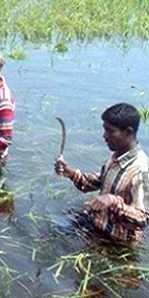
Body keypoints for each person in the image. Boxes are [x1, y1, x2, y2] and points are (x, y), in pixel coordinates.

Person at [55, 103, 149, 243]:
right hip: (97, 225)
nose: (104, 136)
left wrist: (113, 202)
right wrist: (72, 173)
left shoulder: (140, 170)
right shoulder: (116, 156)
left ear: (128, 133)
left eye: (110, 131)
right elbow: (100, 181)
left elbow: (142, 220)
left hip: (115, 241)